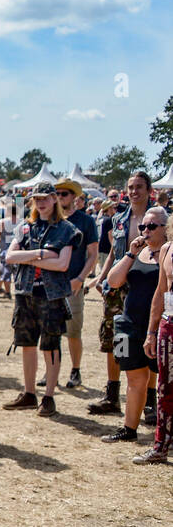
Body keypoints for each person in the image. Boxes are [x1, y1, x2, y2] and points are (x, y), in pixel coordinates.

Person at [1, 182, 78, 418]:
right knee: (26, 344)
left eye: (45, 197)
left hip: (51, 294)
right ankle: (29, 393)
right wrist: (40, 255)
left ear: (55, 199)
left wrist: (28, 259)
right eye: (37, 198)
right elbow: (10, 256)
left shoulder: (66, 229)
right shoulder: (26, 227)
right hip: (25, 292)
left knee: (51, 346)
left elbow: (62, 264)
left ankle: (49, 396)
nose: (41, 202)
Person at [89, 172, 154, 416]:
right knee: (116, 338)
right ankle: (113, 394)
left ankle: (149, 399)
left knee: (148, 339)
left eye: (139, 187)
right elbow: (116, 254)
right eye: (130, 187)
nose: (134, 191)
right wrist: (103, 278)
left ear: (149, 190)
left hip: (147, 285)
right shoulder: (118, 219)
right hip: (119, 285)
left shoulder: (159, 219)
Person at [100, 207, 166, 445]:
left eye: (152, 227)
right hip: (128, 324)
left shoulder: (169, 254)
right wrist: (130, 253)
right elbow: (113, 281)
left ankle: (164, 430)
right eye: (143, 227)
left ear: (165, 229)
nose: (145, 231)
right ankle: (129, 428)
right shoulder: (137, 253)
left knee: (163, 380)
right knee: (133, 378)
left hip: (157, 326)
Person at [133, 213, 173, 463]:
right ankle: (161, 446)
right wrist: (151, 332)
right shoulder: (167, 249)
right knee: (165, 388)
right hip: (169, 325)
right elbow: (160, 293)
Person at [53, 179, 99, 390]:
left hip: (73, 284)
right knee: (50, 332)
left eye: (64, 194)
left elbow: (93, 255)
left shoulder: (86, 221)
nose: (60, 197)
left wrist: (80, 279)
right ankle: (50, 370)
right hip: (51, 284)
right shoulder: (51, 220)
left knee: (73, 332)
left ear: (74, 197)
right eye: (58, 194)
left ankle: (75, 370)